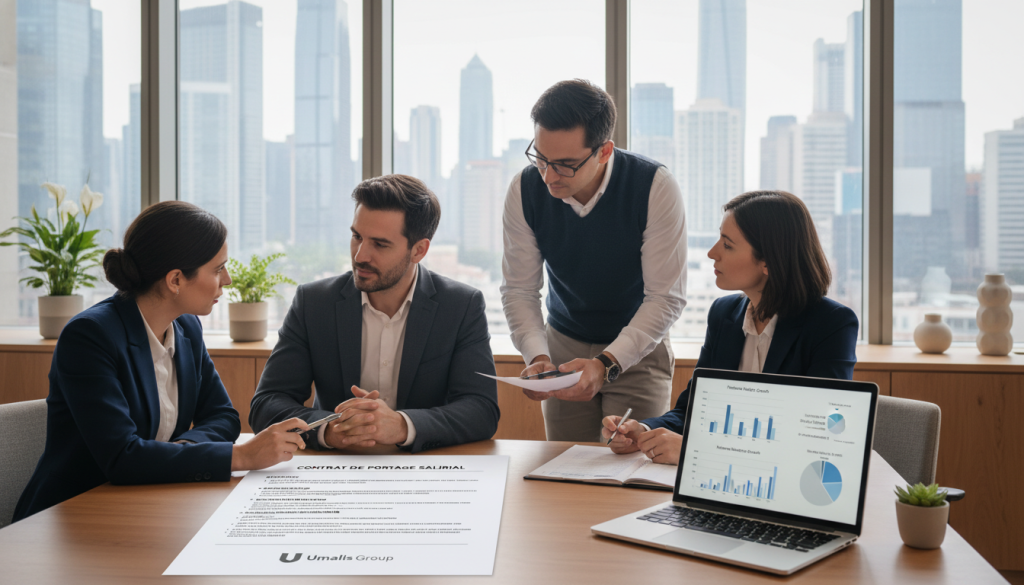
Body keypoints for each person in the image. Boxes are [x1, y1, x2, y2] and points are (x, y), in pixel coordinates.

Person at [14, 201, 309, 522]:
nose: (227, 280)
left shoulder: (185, 326)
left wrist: (181, 450)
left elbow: (222, 416)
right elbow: (122, 457)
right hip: (75, 514)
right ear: (175, 280)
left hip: (152, 502)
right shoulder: (90, 336)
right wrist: (239, 456)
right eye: (217, 268)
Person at [602, 190, 859, 464]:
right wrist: (643, 431)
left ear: (768, 262)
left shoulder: (832, 324)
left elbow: (816, 437)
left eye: (727, 245)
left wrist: (696, 450)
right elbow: (693, 409)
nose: (713, 253)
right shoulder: (723, 314)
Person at [249, 175, 499, 453]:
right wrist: (329, 430)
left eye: (380, 244)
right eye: (357, 237)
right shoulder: (314, 302)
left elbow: (482, 410)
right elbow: (266, 404)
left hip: (425, 470)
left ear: (419, 250)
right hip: (335, 468)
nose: (360, 255)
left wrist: (402, 425)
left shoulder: (461, 306)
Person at [502, 79, 688, 442]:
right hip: (562, 344)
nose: (549, 175)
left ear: (604, 151)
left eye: (565, 164)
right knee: (564, 468)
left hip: (639, 348)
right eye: (541, 157)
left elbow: (666, 297)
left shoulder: (654, 186)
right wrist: (536, 358)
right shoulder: (524, 189)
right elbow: (519, 289)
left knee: (631, 467)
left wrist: (606, 364)